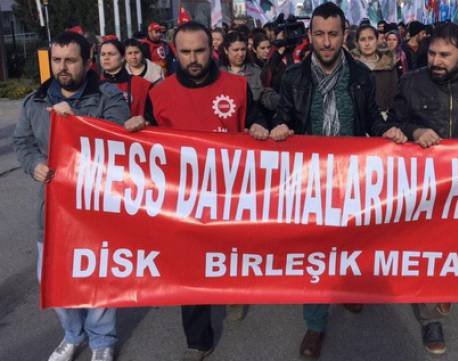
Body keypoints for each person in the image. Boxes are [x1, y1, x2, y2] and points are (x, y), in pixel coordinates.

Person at [268, 2, 406, 359]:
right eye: (319, 34)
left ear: (345, 35)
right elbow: (284, 116)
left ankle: (347, 289)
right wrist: (279, 127)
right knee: (315, 251)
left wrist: (387, 131)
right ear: (310, 35)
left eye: (333, 34)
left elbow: (371, 118)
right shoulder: (294, 77)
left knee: (350, 241)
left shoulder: (360, 75)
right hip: (309, 179)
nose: (326, 42)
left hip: (351, 176)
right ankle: (315, 325)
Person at [124, 21, 268, 361]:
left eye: (200, 51)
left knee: (229, 256)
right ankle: (198, 341)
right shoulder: (159, 93)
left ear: (212, 50)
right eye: (185, 52)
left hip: (230, 195)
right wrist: (138, 127)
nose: (193, 59)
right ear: (175, 51)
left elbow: (255, 117)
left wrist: (259, 124)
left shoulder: (237, 86)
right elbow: (147, 141)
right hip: (183, 200)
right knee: (190, 266)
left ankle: (233, 291)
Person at [13, 31, 130, 361]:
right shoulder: (36, 101)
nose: (62, 67)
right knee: (51, 276)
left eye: (70, 60)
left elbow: (120, 138)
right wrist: (34, 165)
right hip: (54, 208)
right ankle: (73, 334)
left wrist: (75, 122)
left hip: (97, 205)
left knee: (98, 276)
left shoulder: (108, 96)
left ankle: (102, 340)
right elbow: (22, 142)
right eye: (57, 60)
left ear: (88, 62)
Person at [389, 22, 458, 356]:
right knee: (427, 248)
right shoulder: (411, 82)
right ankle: (430, 319)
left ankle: (447, 286)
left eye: (445, 55)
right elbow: (393, 121)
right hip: (424, 186)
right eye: (432, 53)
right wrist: (414, 131)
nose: (436, 60)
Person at [351, 24, 398, 115]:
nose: (367, 43)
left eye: (371, 38)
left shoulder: (388, 64)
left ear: (377, 40)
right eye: (363, 39)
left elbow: (394, 95)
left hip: (384, 116)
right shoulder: (351, 66)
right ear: (357, 43)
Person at [99, 39, 152, 117]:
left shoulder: (141, 85)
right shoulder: (92, 85)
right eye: (103, 54)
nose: (106, 58)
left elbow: (152, 118)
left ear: (123, 58)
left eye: (111, 54)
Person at [218, 31, 265, 104]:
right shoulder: (217, 73)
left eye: (243, 49)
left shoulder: (256, 71)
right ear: (226, 50)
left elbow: (264, 95)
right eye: (236, 50)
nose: (240, 54)